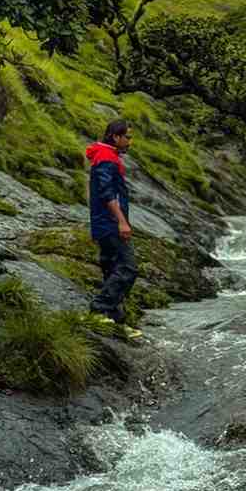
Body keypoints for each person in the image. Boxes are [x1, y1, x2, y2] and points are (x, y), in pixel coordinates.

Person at [85, 118, 142, 337]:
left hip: (105, 223)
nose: (130, 141)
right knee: (128, 268)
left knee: (111, 270)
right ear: (115, 137)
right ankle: (99, 309)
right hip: (109, 223)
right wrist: (122, 221)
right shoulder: (106, 158)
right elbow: (107, 193)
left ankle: (115, 321)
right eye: (127, 137)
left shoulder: (105, 155)